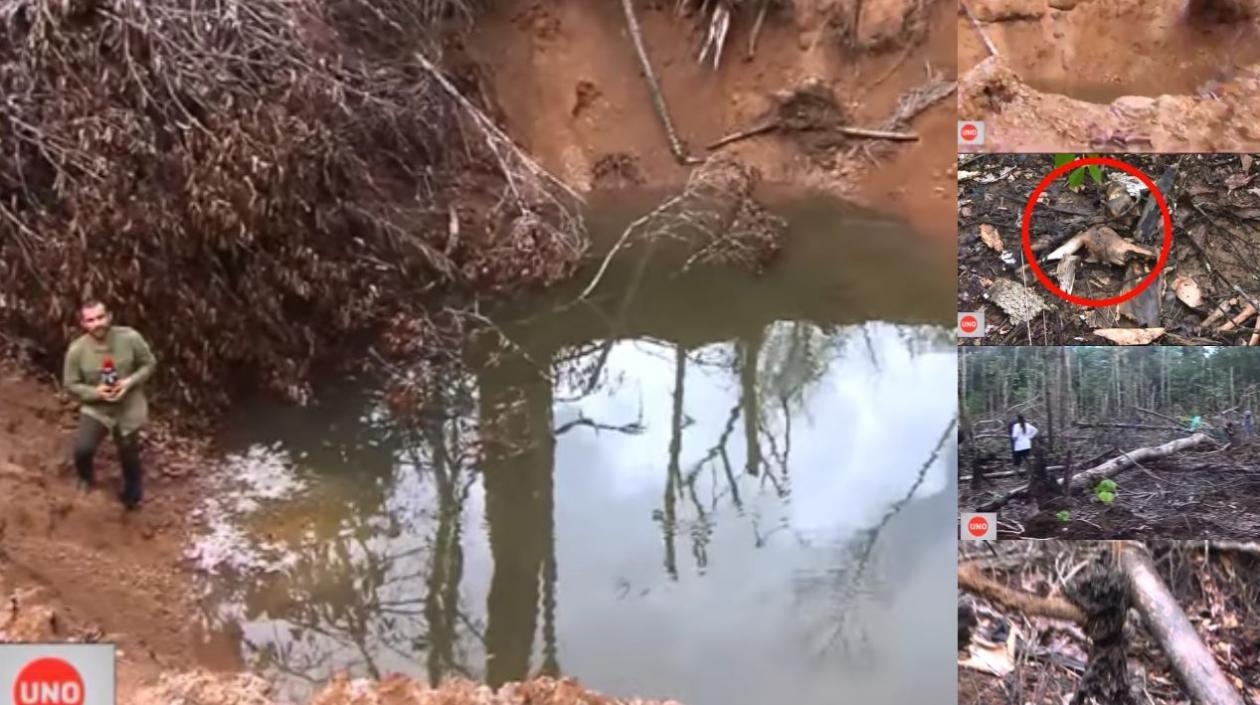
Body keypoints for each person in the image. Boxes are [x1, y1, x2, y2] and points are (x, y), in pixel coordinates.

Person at [62, 300, 157, 510]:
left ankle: (132, 497)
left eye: (100, 317)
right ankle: (86, 479)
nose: (97, 324)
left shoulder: (130, 338)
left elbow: (149, 364)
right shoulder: (77, 350)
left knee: (128, 452)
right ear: (83, 324)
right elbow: (70, 384)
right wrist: (96, 392)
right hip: (97, 408)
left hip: (128, 406)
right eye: (91, 320)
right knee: (83, 449)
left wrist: (129, 382)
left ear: (109, 317)